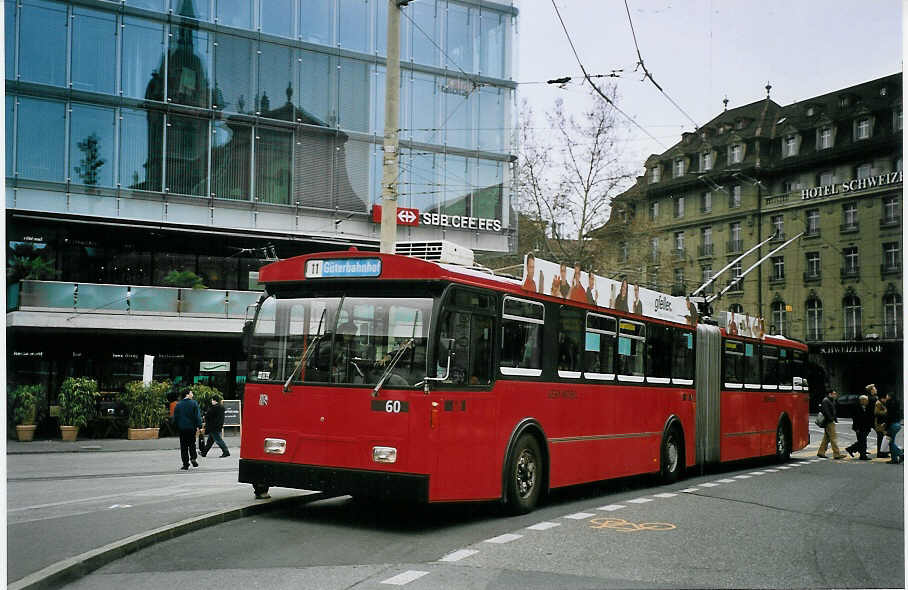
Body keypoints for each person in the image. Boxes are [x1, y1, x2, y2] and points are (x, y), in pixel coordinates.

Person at [173, 389, 202, 470]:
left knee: (183, 446)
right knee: (192, 444)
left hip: (182, 428)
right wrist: (199, 426)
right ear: (187, 394)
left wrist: (176, 426)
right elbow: (197, 416)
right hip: (191, 428)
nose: (192, 394)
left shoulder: (178, 404)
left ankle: (185, 464)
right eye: (191, 393)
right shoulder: (194, 403)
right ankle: (193, 458)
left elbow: (175, 417)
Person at [817, 390, 846, 459]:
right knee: (833, 438)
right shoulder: (826, 400)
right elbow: (826, 411)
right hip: (828, 422)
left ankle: (821, 452)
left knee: (826, 438)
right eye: (834, 394)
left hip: (829, 421)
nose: (835, 395)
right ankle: (836, 454)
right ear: (830, 394)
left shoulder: (830, 400)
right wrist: (831, 419)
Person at [845, 395, 873, 460]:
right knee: (862, 441)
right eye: (866, 400)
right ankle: (862, 456)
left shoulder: (867, 406)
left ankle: (851, 449)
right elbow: (855, 419)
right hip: (859, 427)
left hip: (866, 426)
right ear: (862, 400)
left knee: (861, 441)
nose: (867, 401)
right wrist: (857, 428)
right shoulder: (856, 407)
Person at [883, 393, 903, 464]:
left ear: (889, 397)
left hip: (892, 425)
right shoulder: (896, 404)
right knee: (891, 442)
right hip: (897, 424)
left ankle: (901, 454)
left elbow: (889, 418)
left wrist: (885, 429)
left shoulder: (889, 405)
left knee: (890, 442)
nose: (886, 397)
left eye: (887, 396)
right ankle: (894, 459)